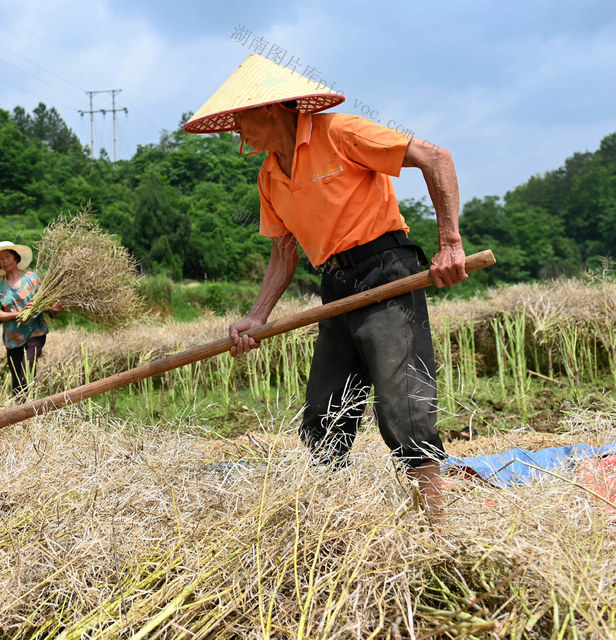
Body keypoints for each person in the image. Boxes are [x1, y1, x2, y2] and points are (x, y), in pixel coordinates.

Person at [183, 55, 468, 518]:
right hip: (335, 284)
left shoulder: (339, 133)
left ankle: (436, 526)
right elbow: (283, 253)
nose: (238, 131)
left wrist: (450, 243)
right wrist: (257, 317)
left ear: (270, 109)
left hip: (385, 270)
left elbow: (436, 157)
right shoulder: (270, 175)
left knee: (403, 405)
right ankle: (330, 523)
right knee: (326, 411)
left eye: (241, 119)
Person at [0, 240, 63, 401]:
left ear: (16, 258)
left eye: (8, 256)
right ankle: (19, 413)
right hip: (12, 338)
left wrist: (53, 308)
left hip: (35, 331)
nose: (5, 261)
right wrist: (16, 314)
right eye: (1, 258)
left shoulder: (32, 279)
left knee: (27, 368)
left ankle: (29, 408)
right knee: (16, 376)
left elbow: (46, 304)